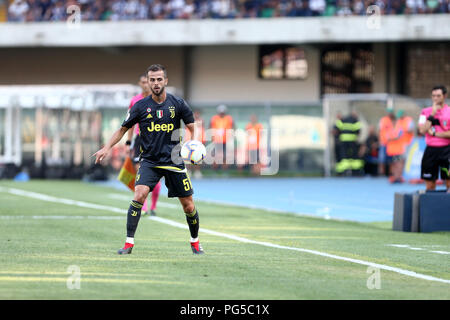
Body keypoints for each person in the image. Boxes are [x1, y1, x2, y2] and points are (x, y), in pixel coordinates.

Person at [94, 64, 204, 255]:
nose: (155, 83)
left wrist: (193, 146)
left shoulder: (178, 104)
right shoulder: (140, 106)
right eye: (152, 80)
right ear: (148, 82)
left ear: (166, 81)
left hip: (174, 161)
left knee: (188, 205)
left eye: (159, 79)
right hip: (149, 161)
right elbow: (122, 129)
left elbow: (192, 127)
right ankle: (128, 244)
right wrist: (107, 147)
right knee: (138, 195)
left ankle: (195, 242)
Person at [126, 73, 161, 216]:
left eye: (148, 81)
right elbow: (129, 123)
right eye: (143, 81)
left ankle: (153, 206)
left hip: (156, 140)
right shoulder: (135, 101)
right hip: (140, 140)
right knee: (140, 173)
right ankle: (144, 206)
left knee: (157, 173)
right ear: (140, 84)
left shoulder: (158, 99)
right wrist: (128, 142)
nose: (145, 84)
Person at [418, 85, 450, 191]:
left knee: (449, 184)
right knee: (430, 186)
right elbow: (422, 130)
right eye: (433, 96)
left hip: (447, 151)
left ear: (444, 96)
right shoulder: (425, 112)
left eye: (438, 96)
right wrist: (432, 114)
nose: (435, 98)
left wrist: (435, 134)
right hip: (430, 151)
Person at [386, 110, 414, 183]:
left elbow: (398, 135)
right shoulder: (395, 126)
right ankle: (395, 176)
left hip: (403, 147)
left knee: (400, 162)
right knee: (396, 163)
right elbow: (389, 136)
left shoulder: (406, 122)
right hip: (395, 149)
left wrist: (392, 138)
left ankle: (399, 176)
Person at [334, 110, 363, 176]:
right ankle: (356, 172)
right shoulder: (355, 121)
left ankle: (344, 172)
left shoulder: (343, 120)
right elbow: (358, 131)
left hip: (343, 141)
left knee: (344, 156)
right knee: (354, 156)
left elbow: (337, 129)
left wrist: (338, 138)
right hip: (352, 141)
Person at [210, 104, 234, 170]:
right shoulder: (214, 119)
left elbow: (232, 128)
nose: (222, 114)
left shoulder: (228, 119)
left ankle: (224, 171)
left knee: (225, 157)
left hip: (225, 140)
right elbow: (212, 128)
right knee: (215, 156)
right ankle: (214, 170)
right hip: (217, 141)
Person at [184, 109, 205, 179]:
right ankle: (189, 171)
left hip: (198, 142)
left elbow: (202, 131)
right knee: (188, 158)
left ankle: (197, 172)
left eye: (197, 114)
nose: (196, 115)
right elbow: (186, 130)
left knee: (198, 158)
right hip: (189, 142)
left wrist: (203, 140)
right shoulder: (189, 120)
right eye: (195, 114)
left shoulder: (201, 121)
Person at [378, 107, 395, 176]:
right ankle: (382, 172)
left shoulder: (394, 120)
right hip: (384, 142)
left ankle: (390, 172)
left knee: (391, 159)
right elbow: (380, 130)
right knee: (382, 158)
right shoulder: (383, 120)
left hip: (391, 143)